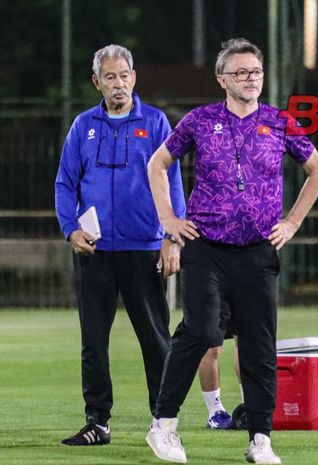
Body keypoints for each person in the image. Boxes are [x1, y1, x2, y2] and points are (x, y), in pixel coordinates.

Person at [145, 38, 318, 464]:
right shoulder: (199, 120)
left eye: (256, 72)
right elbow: (157, 165)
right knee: (204, 330)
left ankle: (260, 438)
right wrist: (169, 221)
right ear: (222, 78)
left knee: (260, 344)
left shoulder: (280, 122)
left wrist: (293, 222)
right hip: (206, 247)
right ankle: (164, 425)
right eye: (241, 72)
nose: (250, 79)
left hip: (258, 251)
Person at [54, 44, 186, 446]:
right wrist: (70, 229)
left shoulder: (158, 123)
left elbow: (173, 182)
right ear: (97, 82)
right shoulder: (82, 126)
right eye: (109, 77)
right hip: (95, 250)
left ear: (134, 77)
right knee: (93, 340)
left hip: (144, 247)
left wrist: (171, 237)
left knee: (156, 338)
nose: (118, 83)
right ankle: (98, 421)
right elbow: (65, 183)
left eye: (124, 75)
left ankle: (164, 424)